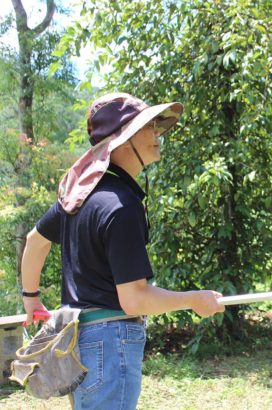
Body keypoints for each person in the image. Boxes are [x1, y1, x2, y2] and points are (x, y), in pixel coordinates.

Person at [19, 93, 225, 409]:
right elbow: (134, 299)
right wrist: (194, 300)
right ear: (124, 140)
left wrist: (30, 298)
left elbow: (35, 241)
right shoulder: (121, 206)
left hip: (78, 343)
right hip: (109, 345)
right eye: (147, 127)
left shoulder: (79, 197)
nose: (156, 134)